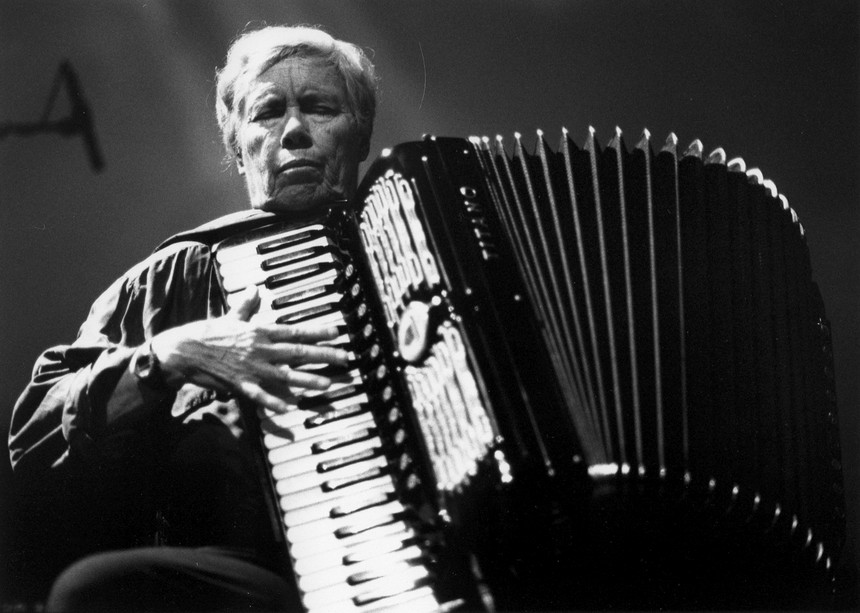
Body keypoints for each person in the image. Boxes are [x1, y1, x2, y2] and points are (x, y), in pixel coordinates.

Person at [8, 24, 378, 612]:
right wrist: (171, 356)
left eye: (319, 108)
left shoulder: (420, 249)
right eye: (268, 113)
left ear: (360, 134)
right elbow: (34, 436)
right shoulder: (178, 274)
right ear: (237, 147)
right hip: (255, 580)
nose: (294, 132)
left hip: (429, 551)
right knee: (92, 591)